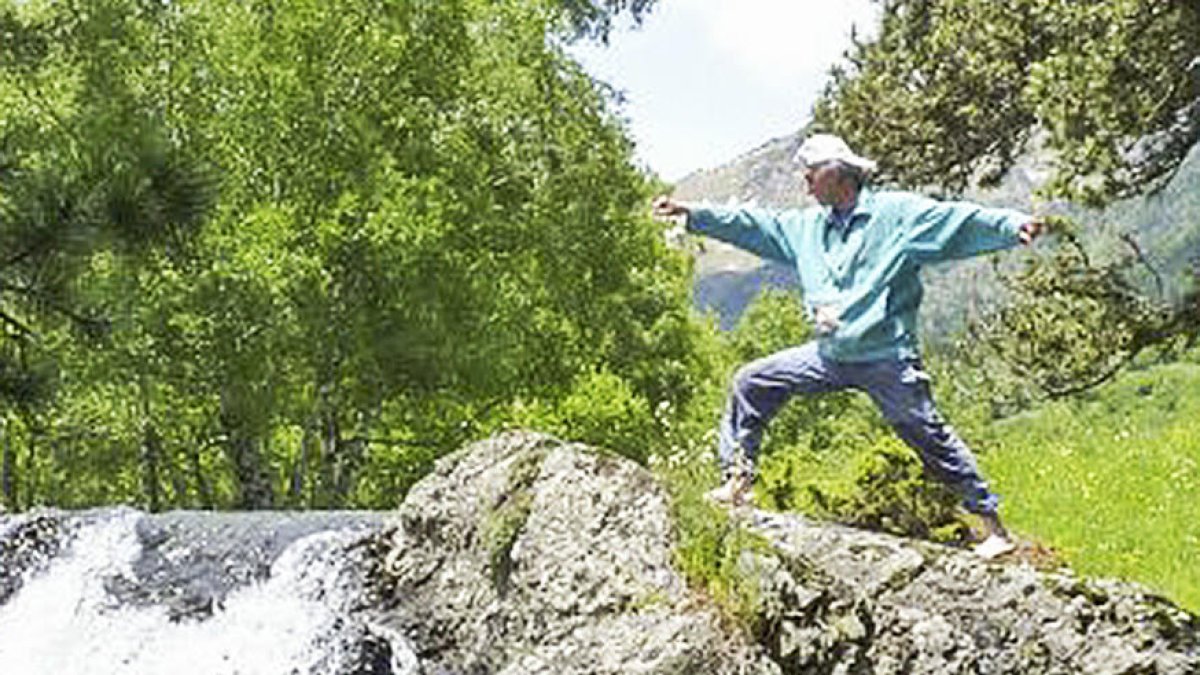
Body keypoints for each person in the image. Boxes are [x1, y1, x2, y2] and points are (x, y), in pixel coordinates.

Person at [652, 133, 1043, 559]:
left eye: (811, 176)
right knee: (752, 381)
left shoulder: (895, 215)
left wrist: (1009, 225)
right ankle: (738, 482)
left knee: (928, 435)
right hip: (828, 356)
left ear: (837, 174)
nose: (805, 185)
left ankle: (993, 527)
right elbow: (750, 224)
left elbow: (954, 221)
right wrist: (691, 213)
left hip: (886, 359)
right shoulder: (804, 229)